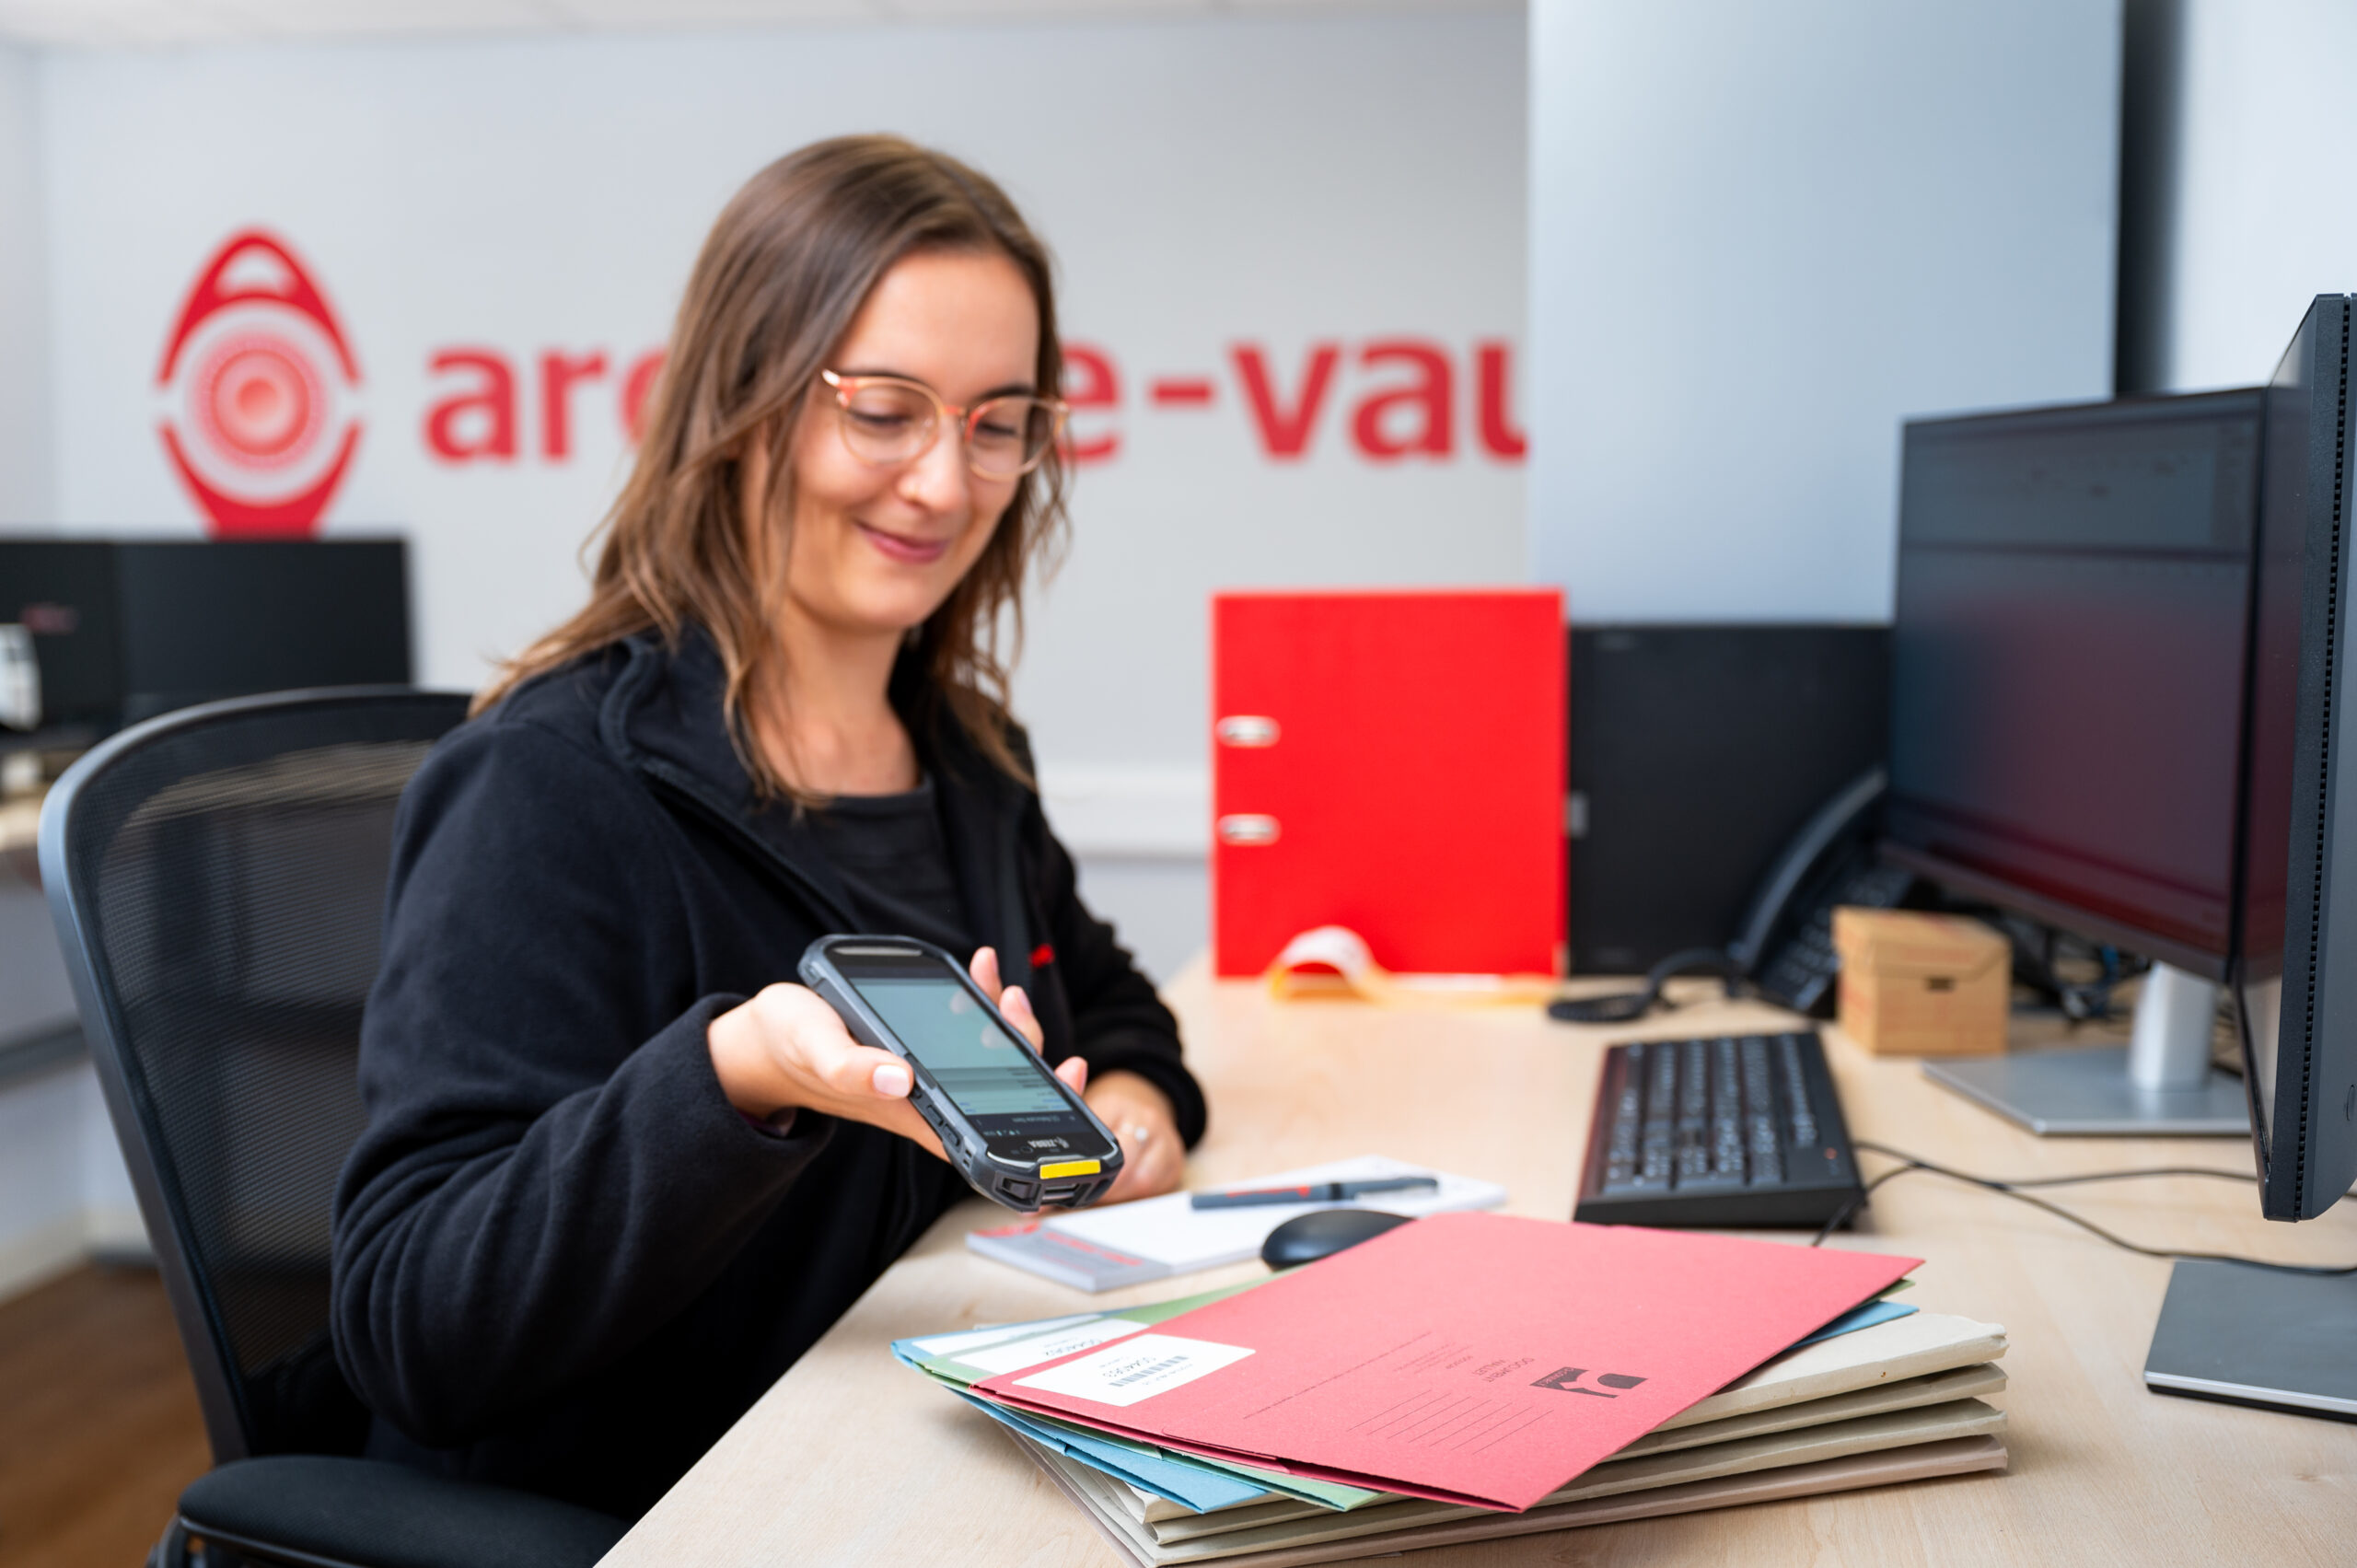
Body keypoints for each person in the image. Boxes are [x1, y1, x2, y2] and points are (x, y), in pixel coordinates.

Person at [330, 135, 1205, 1520]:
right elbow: (413, 1325)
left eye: (995, 422)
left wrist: (1140, 1104)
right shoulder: (547, 786)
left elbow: (1103, 998)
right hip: (672, 1512)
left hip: (923, 1448)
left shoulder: (967, 754)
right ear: (741, 403)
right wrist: (736, 1078)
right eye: (884, 411)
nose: (944, 482)